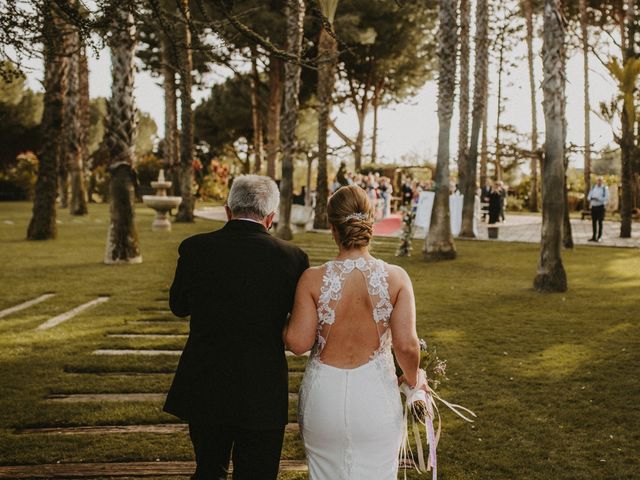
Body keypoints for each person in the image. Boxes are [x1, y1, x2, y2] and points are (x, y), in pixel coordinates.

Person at [164, 175, 309, 480]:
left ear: (228, 209)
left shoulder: (194, 249)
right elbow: (298, 324)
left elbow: (178, 306)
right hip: (262, 386)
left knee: (208, 469)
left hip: (206, 381)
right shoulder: (293, 258)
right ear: (270, 217)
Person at [284, 185, 424, 480]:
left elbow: (298, 343)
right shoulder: (397, 278)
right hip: (375, 398)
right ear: (370, 223)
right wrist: (415, 382)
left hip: (324, 398)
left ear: (332, 228)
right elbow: (407, 347)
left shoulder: (312, 279)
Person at [587, 176, 609, 242]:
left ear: (602, 181)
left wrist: (599, 199)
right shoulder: (593, 188)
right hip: (593, 207)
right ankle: (593, 236)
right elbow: (589, 196)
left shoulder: (604, 189)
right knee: (594, 222)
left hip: (600, 207)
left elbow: (606, 198)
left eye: (600, 180)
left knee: (600, 222)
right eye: (598, 180)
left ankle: (599, 237)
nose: (599, 182)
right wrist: (592, 198)